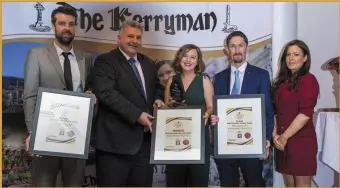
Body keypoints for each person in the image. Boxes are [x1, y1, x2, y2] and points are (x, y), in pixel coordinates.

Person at [23, 6, 94, 186]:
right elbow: (30, 96)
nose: (67, 28)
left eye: (71, 24)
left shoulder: (85, 58)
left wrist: (93, 100)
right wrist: (33, 132)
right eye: (62, 23)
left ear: (75, 26)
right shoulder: (36, 55)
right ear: (53, 25)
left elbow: (88, 93)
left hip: (76, 138)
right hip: (45, 137)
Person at [92, 20, 165, 187]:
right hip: (114, 148)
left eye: (138, 37)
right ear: (119, 38)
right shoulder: (105, 61)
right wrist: (137, 115)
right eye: (130, 36)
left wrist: (157, 99)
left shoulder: (147, 63)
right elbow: (106, 93)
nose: (135, 41)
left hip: (143, 145)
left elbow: (157, 88)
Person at [210, 31, 274, 187]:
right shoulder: (219, 77)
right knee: (228, 184)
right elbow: (216, 110)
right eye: (232, 46)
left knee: (255, 183)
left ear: (247, 47)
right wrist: (213, 117)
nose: (237, 50)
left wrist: (266, 141)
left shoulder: (261, 75)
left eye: (240, 46)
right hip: (225, 145)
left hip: (252, 144)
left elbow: (267, 111)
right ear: (227, 49)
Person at [164, 44, 214, 187]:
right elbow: (167, 109)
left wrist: (207, 113)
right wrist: (166, 105)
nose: (188, 60)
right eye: (185, 55)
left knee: (198, 180)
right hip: (176, 138)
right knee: (175, 180)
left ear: (198, 61)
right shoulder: (171, 81)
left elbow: (210, 106)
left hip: (198, 139)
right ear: (179, 58)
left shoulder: (204, 80)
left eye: (193, 57)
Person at [272, 39, 319, 187]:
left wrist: (284, 137)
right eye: (288, 55)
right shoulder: (282, 82)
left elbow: (305, 114)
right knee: (289, 185)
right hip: (282, 142)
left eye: (296, 54)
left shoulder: (308, 80)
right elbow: (276, 112)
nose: (291, 58)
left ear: (305, 58)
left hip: (301, 142)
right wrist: (275, 136)